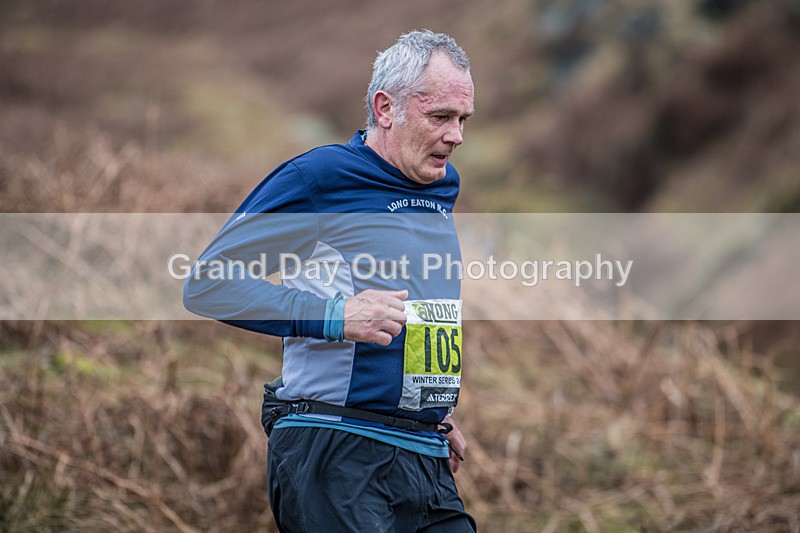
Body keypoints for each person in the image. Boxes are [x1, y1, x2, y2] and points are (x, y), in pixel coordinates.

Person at [183, 30, 476, 532]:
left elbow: (423, 302)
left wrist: (426, 411)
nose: (457, 137)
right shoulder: (320, 178)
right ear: (385, 108)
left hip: (421, 454)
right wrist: (337, 316)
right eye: (440, 118)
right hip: (333, 448)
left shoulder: (440, 185)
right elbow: (209, 282)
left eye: (463, 119)